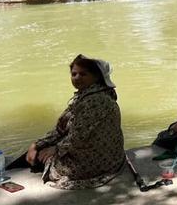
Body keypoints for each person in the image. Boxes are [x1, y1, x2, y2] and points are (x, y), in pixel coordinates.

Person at [9, 55, 124, 189]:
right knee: (38, 148)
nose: (77, 77)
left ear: (97, 77)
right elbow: (63, 128)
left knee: (38, 157)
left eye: (83, 74)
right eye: (74, 74)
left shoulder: (95, 100)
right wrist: (37, 143)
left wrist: (55, 149)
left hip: (97, 163)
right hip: (108, 157)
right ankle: (10, 169)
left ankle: (4, 174)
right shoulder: (89, 95)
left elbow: (78, 137)